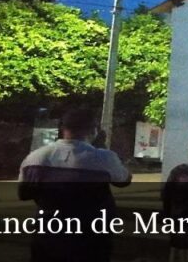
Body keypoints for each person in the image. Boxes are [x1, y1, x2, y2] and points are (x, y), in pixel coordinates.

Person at [18, 109, 131, 262]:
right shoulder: (104, 158)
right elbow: (124, 181)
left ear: (62, 129)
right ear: (93, 130)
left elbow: (24, 194)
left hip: (48, 235)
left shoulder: (36, 157)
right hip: (91, 238)